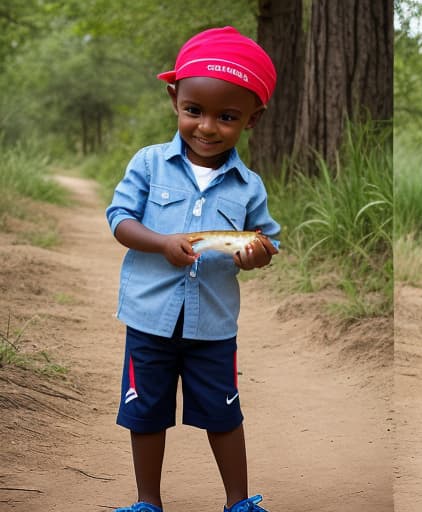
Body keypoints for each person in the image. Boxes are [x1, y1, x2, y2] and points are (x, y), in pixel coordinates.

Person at [106, 26, 280, 512]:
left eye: (227, 117)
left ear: (252, 119)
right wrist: (161, 243)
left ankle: (238, 502)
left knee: (224, 414)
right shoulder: (149, 164)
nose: (207, 127)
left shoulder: (249, 186)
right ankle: (147, 502)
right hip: (149, 318)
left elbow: (267, 240)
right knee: (145, 412)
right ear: (174, 99)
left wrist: (256, 254)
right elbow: (119, 219)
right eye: (194, 111)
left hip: (214, 325)